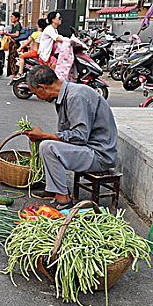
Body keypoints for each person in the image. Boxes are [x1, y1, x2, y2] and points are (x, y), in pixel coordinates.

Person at [24, 66, 117, 210]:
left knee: (46, 146)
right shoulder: (66, 95)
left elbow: (80, 136)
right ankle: (52, 187)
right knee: (41, 142)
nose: (38, 97)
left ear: (42, 88)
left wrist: (45, 136)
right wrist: (42, 137)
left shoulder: (76, 96)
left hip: (98, 155)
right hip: (86, 149)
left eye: (36, 93)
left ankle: (64, 199)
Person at [4, 12, 22, 84]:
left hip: (15, 45)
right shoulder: (14, 25)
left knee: (13, 61)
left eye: (12, 17)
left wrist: (8, 34)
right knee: (11, 61)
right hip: (12, 45)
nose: (11, 18)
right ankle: (13, 77)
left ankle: (14, 78)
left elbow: (17, 34)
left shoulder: (17, 25)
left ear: (17, 18)